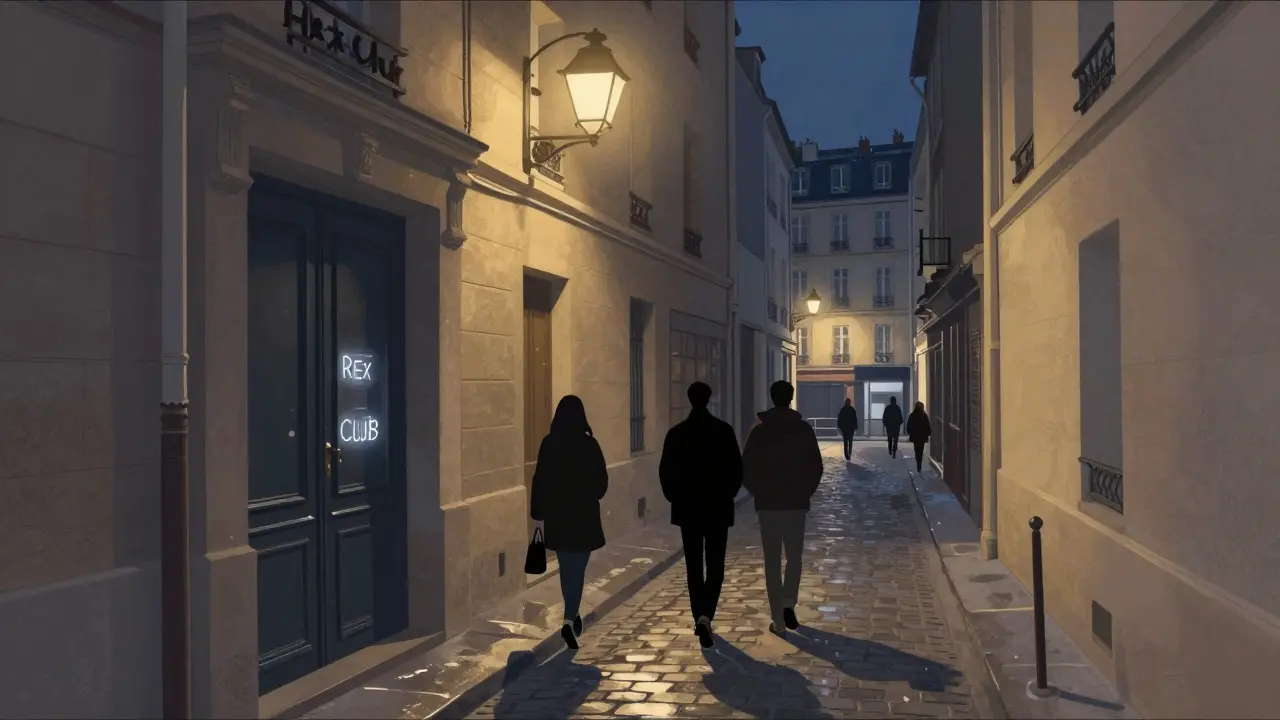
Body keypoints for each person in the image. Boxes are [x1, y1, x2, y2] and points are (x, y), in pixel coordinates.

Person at [659, 382, 744, 648]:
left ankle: (699, 617)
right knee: (715, 565)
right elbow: (736, 470)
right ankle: (707, 614)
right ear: (709, 399)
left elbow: (665, 472)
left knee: (694, 566)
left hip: (689, 509)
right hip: (717, 507)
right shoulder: (723, 431)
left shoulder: (677, 434)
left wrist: (676, 497)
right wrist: (727, 494)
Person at [742, 380, 824, 637]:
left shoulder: (759, 432)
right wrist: (805, 492)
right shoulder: (803, 430)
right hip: (796, 505)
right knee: (794, 558)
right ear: (791, 398)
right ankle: (789, 601)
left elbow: (747, 468)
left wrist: (759, 492)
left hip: (768, 505)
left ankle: (777, 617)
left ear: (772, 397)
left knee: (771, 561)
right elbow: (816, 467)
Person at [530, 395, 609, 650]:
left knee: (567, 570)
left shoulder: (549, 443)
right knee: (578, 569)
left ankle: (571, 615)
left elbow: (539, 478)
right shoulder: (589, 444)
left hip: (559, 516)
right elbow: (601, 480)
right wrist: (592, 493)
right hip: (583, 515)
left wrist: (538, 511)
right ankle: (568, 618)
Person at [906, 401, 932, 474]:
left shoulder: (912, 415)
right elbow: (928, 425)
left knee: (917, 450)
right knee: (921, 450)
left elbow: (908, 426)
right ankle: (919, 464)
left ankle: (918, 463)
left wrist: (910, 433)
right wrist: (929, 433)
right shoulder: (924, 415)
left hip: (915, 436)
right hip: (922, 436)